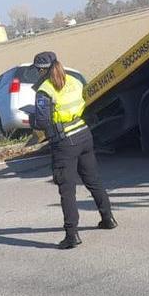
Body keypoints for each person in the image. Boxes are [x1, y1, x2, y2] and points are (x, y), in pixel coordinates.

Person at [31, 51, 116, 249]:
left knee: (67, 190)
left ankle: (71, 235)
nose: (36, 73)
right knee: (93, 180)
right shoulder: (74, 81)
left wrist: (32, 119)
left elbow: (42, 121)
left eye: (37, 70)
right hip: (84, 134)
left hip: (64, 142)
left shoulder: (44, 90)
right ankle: (108, 218)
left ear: (42, 70)